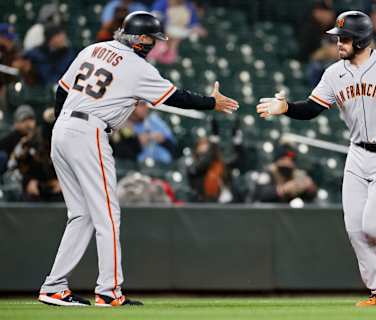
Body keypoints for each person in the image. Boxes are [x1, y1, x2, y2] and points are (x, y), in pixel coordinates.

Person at [38, 11, 238, 307]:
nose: (155, 44)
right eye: (153, 39)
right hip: (89, 130)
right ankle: (109, 292)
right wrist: (211, 102)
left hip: (64, 127)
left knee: (81, 215)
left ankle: (54, 287)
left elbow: (61, 91)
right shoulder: (135, 65)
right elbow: (176, 96)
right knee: (108, 214)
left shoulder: (93, 49)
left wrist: (62, 129)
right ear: (142, 39)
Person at [256, 11, 376, 306]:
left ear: (362, 40)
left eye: (344, 38)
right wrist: (285, 108)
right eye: (337, 38)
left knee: (374, 227)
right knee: (355, 229)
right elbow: (312, 108)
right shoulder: (334, 73)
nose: (338, 43)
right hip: (356, 154)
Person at [0, 105, 37, 173]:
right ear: (16, 124)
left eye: (30, 119)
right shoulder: (12, 136)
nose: (28, 123)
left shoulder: (38, 135)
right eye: (24, 120)